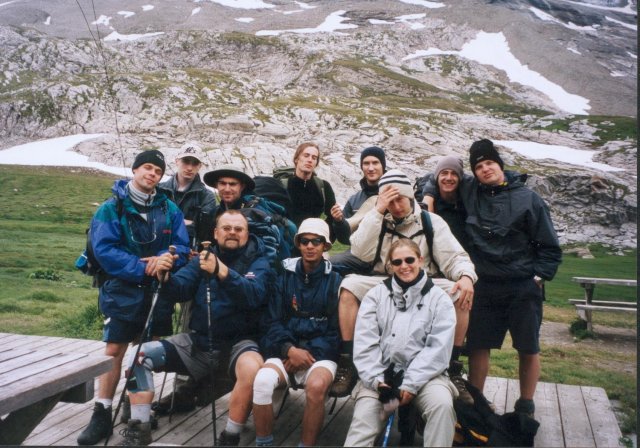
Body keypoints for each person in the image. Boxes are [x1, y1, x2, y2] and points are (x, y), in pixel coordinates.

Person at [120, 210, 275, 446]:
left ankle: (230, 436)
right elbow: (180, 289)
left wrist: (221, 270)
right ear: (215, 233)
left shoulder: (260, 261)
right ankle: (139, 429)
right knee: (137, 356)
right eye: (226, 228)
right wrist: (165, 277)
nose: (232, 233)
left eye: (238, 229)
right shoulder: (203, 258)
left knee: (251, 370)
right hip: (199, 343)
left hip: (240, 344)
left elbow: (253, 295)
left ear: (247, 233)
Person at [77, 150, 190, 446]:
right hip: (122, 290)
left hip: (157, 291)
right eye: (147, 167)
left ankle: (134, 405)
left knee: (143, 350)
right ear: (135, 169)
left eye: (158, 171)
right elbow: (105, 250)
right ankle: (102, 412)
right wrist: (144, 267)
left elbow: (181, 246)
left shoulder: (169, 209)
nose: (152, 174)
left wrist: (166, 258)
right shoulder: (111, 208)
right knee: (115, 349)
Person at [332, 169, 476, 400]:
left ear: (410, 196)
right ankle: (347, 360)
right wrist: (377, 211)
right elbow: (359, 251)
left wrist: (466, 276)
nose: (396, 206)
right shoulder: (378, 218)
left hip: (424, 281)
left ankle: (453, 366)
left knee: (460, 294)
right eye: (390, 201)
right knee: (349, 287)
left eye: (400, 199)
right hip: (385, 279)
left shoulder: (431, 222)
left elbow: (454, 257)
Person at [451, 139, 561, 418]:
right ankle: (476, 402)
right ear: (474, 173)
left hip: (522, 285)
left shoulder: (529, 199)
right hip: (484, 285)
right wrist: (428, 194)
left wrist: (538, 278)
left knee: (528, 346)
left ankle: (525, 404)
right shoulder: (470, 192)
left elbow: (549, 246)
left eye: (490, 163)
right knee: (478, 345)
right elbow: (439, 177)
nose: (485, 169)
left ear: (500, 165)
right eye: (479, 166)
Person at [344, 239, 458, 447]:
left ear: (420, 260)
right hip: (382, 380)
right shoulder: (374, 296)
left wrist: (410, 384)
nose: (404, 266)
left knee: (441, 406)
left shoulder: (440, 299)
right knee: (362, 429)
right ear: (390, 266)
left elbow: (438, 350)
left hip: (426, 378)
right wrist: (378, 382)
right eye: (397, 262)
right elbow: (365, 346)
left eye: (409, 260)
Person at [252, 218, 341, 447]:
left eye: (316, 241)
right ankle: (263, 443)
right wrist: (289, 349)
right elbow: (271, 321)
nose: (310, 246)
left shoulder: (335, 281)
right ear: (298, 244)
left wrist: (304, 353)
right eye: (304, 241)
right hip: (286, 351)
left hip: (318, 355)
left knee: (317, 387)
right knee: (262, 382)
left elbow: (335, 331)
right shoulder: (283, 276)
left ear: (325, 245)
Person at [275, 142, 350, 245]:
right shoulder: (281, 185)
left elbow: (332, 217)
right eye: (306, 155)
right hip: (288, 245)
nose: (310, 160)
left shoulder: (323, 187)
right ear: (296, 159)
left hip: (314, 245)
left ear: (316, 163)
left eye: (314, 158)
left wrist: (322, 240)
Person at [330, 146, 386, 273]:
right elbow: (344, 239)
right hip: (360, 254)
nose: (370, 168)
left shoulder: (395, 193)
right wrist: (339, 222)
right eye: (366, 163)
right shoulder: (354, 200)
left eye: (375, 163)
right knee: (330, 264)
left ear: (383, 165)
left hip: (389, 251)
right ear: (361, 167)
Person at [159, 143, 216, 249]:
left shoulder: (207, 197)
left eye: (195, 163)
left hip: (189, 252)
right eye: (186, 161)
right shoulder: (158, 190)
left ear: (200, 166)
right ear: (177, 161)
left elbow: (204, 231)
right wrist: (186, 223)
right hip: (157, 251)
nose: (190, 168)